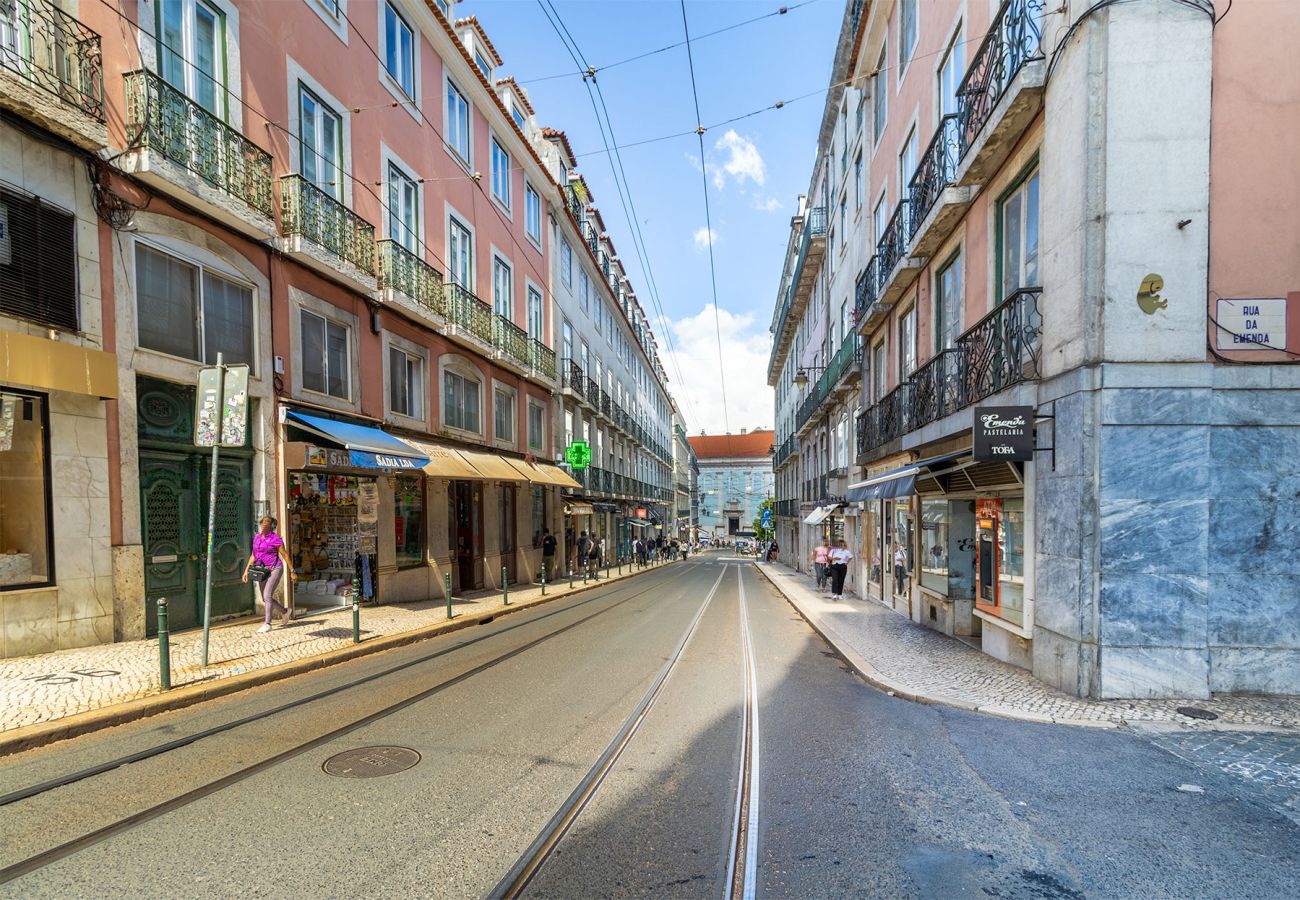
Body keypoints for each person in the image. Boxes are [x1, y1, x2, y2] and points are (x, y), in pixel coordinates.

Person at [242, 516, 296, 633]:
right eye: (263, 522)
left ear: (272, 526)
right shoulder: (257, 538)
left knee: (267, 595)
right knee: (265, 598)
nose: (264, 524)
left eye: (268, 522)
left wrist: (292, 571)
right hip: (262, 571)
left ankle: (267, 623)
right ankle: (285, 611)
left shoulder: (275, 539)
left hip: (275, 568)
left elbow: (285, 555)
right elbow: (253, 555)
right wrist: (246, 570)